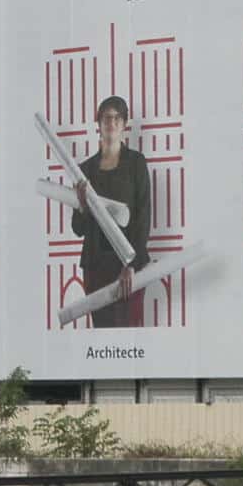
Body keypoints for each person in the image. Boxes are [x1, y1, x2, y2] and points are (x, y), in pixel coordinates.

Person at [70, 95, 152, 327]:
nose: (112, 122)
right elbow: (77, 228)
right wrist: (83, 207)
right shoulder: (85, 170)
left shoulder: (136, 163)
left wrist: (131, 265)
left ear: (124, 124)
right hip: (96, 267)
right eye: (106, 117)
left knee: (129, 338)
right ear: (98, 123)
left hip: (128, 268)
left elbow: (143, 216)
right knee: (102, 337)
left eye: (117, 117)